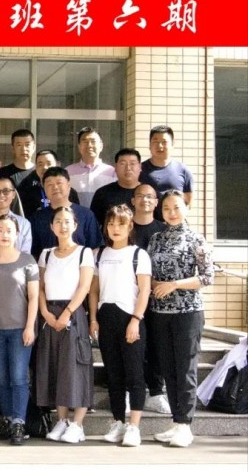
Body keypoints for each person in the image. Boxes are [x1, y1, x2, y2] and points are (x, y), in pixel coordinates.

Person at [147, 190, 214, 448]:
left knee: (185, 369)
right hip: (160, 314)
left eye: (176, 207)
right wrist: (154, 284)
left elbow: (207, 277)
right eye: (166, 208)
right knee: (168, 369)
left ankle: (185, 425)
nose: (172, 212)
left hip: (188, 313)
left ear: (186, 208)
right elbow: (147, 273)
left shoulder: (196, 238)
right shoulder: (155, 239)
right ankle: (176, 422)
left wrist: (174, 284)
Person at [89, 205, 152, 448]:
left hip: (130, 318)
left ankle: (134, 426)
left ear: (130, 226)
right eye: (111, 224)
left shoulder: (138, 254)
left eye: (121, 224)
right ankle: (118, 422)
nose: (115, 228)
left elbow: (144, 290)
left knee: (134, 374)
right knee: (113, 375)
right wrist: (93, 319)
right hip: (106, 317)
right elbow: (94, 290)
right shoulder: (99, 254)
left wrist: (136, 319)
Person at [0, 214, 39, 446]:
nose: (5, 234)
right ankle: (7, 418)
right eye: (0, 230)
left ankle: (19, 422)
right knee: (2, 377)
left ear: (17, 234)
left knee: (18, 376)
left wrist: (30, 326)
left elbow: (33, 297)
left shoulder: (27, 260)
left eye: (9, 230)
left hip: (19, 329)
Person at [36, 206, 94, 444]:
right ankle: (61, 420)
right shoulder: (46, 254)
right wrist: (45, 312)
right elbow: (39, 286)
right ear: (52, 227)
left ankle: (77, 424)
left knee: (76, 366)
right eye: (58, 221)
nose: (63, 225)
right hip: (49, 314)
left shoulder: (84, 253)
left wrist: (67, 313)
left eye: (67, 221)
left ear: (75, 225)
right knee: (55, 366)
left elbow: (84, 286)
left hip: (74, 313)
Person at [131, 183, 172, 415]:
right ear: (133, 201)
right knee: (131, 346)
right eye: (140, 196)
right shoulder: (125, 226)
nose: (145, 200)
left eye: (150, 197)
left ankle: (156, 392)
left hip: (157, 299)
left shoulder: (163, 229)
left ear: (156, 202)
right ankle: (131, 390)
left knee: (156, 346)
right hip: (128, 298)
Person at [29, 167, 102, 260]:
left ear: (68, 186)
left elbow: (95, 248)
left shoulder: (86, 215)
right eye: (50, 184)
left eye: (59, 183)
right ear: (44, 189)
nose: (55, 187)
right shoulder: (36, 218)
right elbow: (33, 252)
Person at [139, 125, 194, 220]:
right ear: (149, 145)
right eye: (155, 142)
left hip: (174, 224)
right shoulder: (139, 170)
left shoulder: (183, 170)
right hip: (147, 224)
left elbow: (188, 203)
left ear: (172, 144)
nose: (160, 146)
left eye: (164, 142)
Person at [17, 149, 80, 219]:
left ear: (58, 164)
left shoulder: (69, 192)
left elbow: (77, 216)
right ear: (35, 167)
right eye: (40, 164)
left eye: (49, 163)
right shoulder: (27, 192)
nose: (44, 167)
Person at [90, 148, 143, 228]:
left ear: (140, 166)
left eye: (132, 163)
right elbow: (93, 226)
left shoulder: (150, 194)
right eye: (122, 164)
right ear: (115, 167)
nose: (128, 168)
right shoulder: (102, 194)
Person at [66, 127, 117, 208]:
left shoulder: (112, 172)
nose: (89, 145)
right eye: (85, 141)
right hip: (75, 215)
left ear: (101, 146)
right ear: (79, 146)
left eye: (93, 141)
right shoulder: (68, 172)